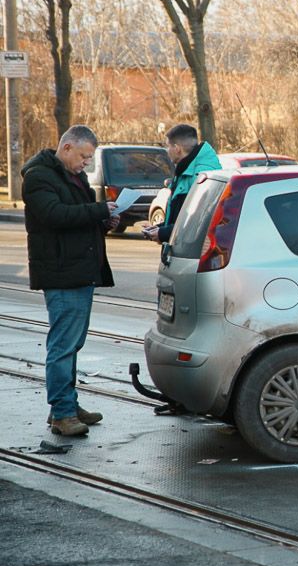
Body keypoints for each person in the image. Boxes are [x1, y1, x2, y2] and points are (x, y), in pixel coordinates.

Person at [21, 125, 120, 437]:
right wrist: (97, 210)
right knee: (63, 345)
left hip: (80, 269)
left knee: (72, 343)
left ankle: (66, 405)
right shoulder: (38, 177)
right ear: (66, 148)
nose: (86, 163)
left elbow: (80, 218)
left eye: (89, 158)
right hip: (62, 273)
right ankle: (63, 412)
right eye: (83, 156)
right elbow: (55, 215)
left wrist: (104, 220)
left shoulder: (73, 176)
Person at [143, 123, 221, 244]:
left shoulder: (200, 174)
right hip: (182, 248)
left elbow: (196, 220)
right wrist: (160, 228)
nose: (167, 151)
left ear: (177, 148)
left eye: (168, 146)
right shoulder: (186, 170)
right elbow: (180, 215)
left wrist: (163, 233)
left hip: (191, 252)